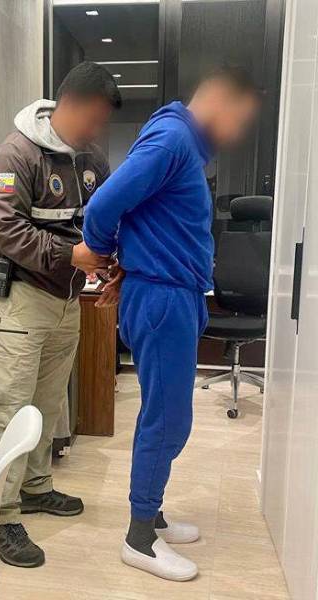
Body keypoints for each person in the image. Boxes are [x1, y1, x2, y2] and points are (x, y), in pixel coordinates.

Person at [74, 66, 261, 581]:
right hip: (162, 299)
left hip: (171, 295)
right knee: (168, 419)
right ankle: (139, 538)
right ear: (219, 101)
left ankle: (150, 514)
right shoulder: (174, 138)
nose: (237, 132)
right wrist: (104, 255)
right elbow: (105, 203)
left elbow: (146, 216)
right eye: (239, 119)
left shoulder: (182, 144)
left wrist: (125, 260)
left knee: (161, 414)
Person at [0, 61, 121, 568]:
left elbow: (105, 218)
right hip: (19, 299)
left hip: (66, 299)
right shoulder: (15, 154)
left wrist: (114, 264)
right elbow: (6, 232)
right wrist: (72, 256)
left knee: (44, 404)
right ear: (70, 105)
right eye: (94, 119)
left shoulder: (90, 158)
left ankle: (36, 487)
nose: (97, 131)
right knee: (9, 407)